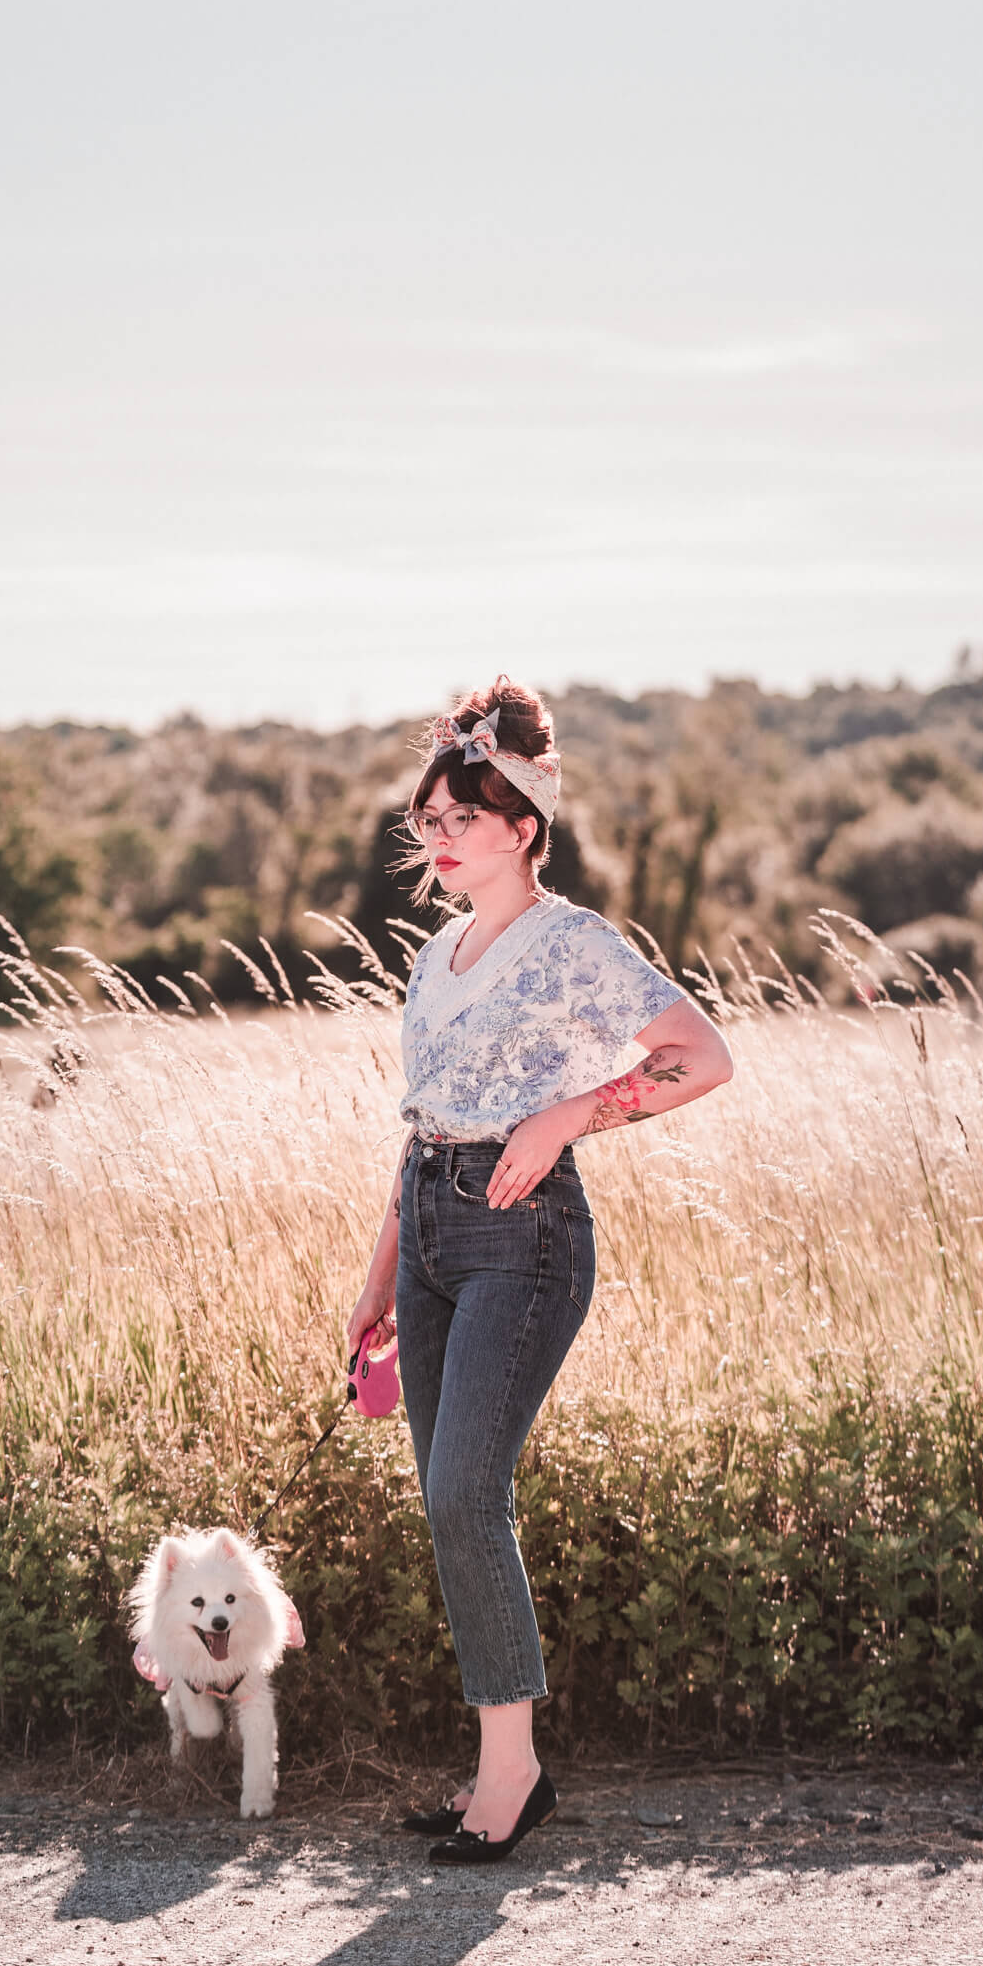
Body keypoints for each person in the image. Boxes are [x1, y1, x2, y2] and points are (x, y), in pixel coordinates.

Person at [345, 674, 734, 1864]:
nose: (440, 839)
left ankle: (509, 1780)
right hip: (429, 1224)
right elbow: (423, 1123)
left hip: (526, 1234)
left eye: (461, 818)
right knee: (446, 1505)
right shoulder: (431, 956)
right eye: (428, 821)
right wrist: (375, 1280)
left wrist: (565, 1116)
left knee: (467, 1489)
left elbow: (699, 1056)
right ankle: (494, 1774)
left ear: (522, 825)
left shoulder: (573, 944)